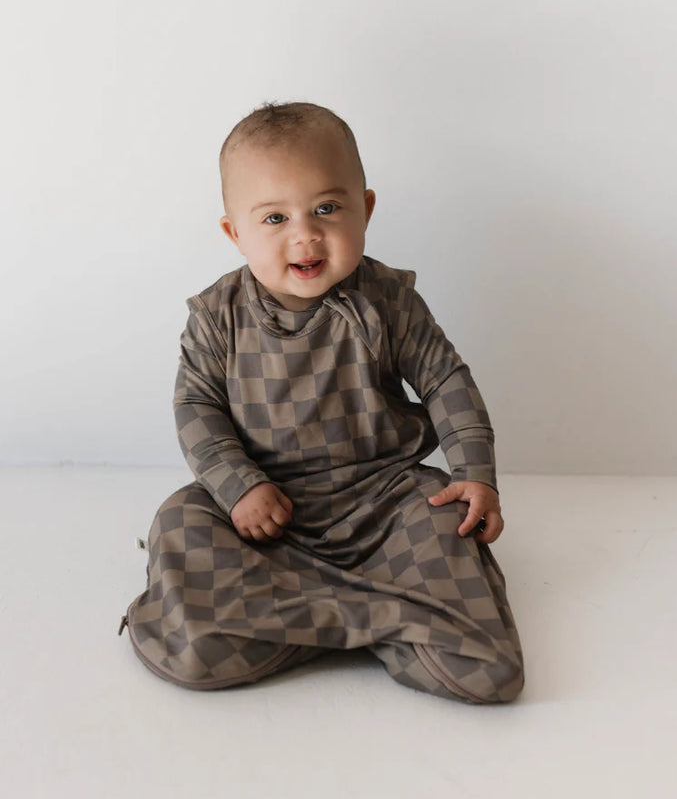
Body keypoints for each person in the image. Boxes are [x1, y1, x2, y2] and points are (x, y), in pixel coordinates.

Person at [120, 101, 524, 704]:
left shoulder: (388, 301)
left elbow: (446, 381)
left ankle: (297, 623)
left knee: (449, 537)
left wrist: (474, 471)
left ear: (366, 208)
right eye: (275, 217)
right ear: (235, 233)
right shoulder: (217, 317)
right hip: (267, 517)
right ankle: (380, 620)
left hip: (384, 501)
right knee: (181, 519)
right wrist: (238, 487)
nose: (305, 235)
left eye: (327, 209)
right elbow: (196, 407)